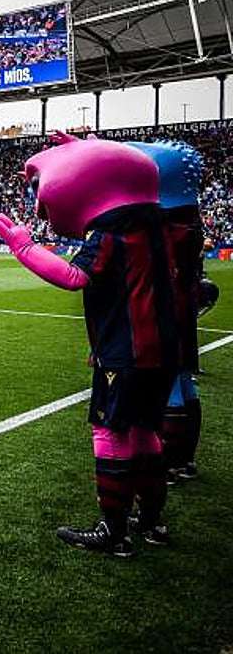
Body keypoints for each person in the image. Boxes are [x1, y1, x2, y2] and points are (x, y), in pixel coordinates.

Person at [0, 134, 177, 556]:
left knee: (110, 431)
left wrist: (24, 247)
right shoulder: (156, 223)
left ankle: (114, 533)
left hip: (127, 352)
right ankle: (152, 522)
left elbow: (74, 277)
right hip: (162, 350)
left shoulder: (111, 230)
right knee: (145, 431)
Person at [129, 141, 205, 483]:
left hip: (165, 310)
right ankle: (184, 458)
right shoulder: (190, 220)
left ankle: (169, 462)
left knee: (169, 382)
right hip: (183, 308)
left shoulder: (164, 226)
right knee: (184, 379)